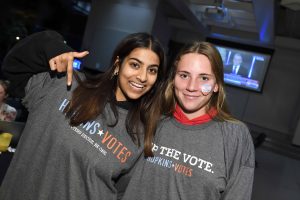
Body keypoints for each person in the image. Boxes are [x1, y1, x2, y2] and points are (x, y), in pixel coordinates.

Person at [0, 30, 166, 200]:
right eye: (135, 65)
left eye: (152, 70)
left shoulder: (140, 136)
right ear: (118, 63)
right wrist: (54, 47)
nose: (143, 77)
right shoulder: (66, 86)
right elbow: (13, 66)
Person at [121, 41, 255, 200]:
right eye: (184, 75)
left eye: (204, 78)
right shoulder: (150, 118)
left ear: (216, 85)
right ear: (173, 80)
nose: (191, 86)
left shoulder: (235, 136)